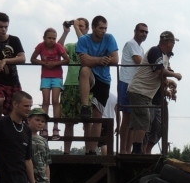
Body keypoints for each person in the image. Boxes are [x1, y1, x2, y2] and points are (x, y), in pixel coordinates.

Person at [127, 31, 182, 155]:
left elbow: (160, 76)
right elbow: (159, 71)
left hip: (144, 93)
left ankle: (137, 150)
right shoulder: (155, 51)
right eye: (173, 43)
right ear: (169, 43)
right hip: (139, 90)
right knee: (144, 121)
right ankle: (137, 151)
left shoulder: (162, 55)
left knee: (143, 122)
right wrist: (175, 75)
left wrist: (169, 82)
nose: (173, 45)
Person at [75, 15, 119, 155]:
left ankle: (92, 150)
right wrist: (100, 60)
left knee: (98, 116)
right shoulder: (84, 39)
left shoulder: (110, 38)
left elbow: (115, 59)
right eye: (101, 28)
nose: (104, 31)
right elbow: (84, 62)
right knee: (85, 70)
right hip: (91, 76)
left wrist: (92, 59)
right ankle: (85, 106)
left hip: (104, 80)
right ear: (93, 28)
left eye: (105, 28)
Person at [31, 28, 67, 139]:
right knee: (45, 101)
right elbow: (33, 59)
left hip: (57, 76)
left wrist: (55, 63)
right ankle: (44, 127)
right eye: (49, 38)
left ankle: (56, 127)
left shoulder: (58, 47)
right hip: (45, 76)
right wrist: (44, 63)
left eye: (54, 38)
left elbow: (67, 59)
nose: (52, 40)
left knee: (55, 100)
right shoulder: (40, 46)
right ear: (44, 38)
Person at [59, 17, 89, 154]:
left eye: (82, 26)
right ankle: (66, 152)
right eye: (78, 26)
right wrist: (65, 32)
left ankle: (88, 151)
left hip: (86, 86)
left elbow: (84, 42)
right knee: (68, 122)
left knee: (87, 121)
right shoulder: (71, 46)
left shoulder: (90, 44)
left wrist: (76, 27)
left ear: (87, 29)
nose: (79, 27)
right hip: (70, 85)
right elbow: (57, 49)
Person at [118, 23, 148, 153]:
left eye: (146, 32)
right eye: (141, 31)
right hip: (126, 82)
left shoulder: (140, 48)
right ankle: (123, 150)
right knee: (127, 118)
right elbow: (139, 62)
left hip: (133, 84)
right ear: (135, 31)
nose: (144, 34)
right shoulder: (132, 44)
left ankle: (128, 149)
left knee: (131, 120)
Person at [27, 107, 51, 183]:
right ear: (29, 119)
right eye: (37, 120)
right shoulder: (22, 137)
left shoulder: (43, 141)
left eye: (43, 121)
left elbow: (47, 163)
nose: (40, 123)